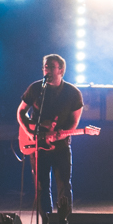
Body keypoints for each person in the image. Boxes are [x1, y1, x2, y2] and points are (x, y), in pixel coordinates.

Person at [17, 53, 84, 214]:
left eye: (51, 66)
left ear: (61, 70)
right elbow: (21, 112)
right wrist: (29, 131)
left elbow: (74, 122)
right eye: (45, 66)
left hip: (61, 146)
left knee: (64, 186)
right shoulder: (36, 88)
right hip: (38, 146)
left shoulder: (73, 93)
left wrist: (61, 134)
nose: (46, 69)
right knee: (41, 187)